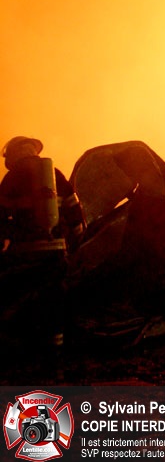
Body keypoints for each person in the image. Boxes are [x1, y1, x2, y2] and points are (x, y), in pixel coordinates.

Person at [0, 136, 86, 378]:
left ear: (13, 154)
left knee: (21, 299)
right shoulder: (55, 174)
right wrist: (76, 246)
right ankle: (55, 354)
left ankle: (26, 351)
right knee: (54, 300)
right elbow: (74, 213)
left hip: (24, 256)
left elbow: (1, 218)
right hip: (56, 253)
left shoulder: (11, 179)